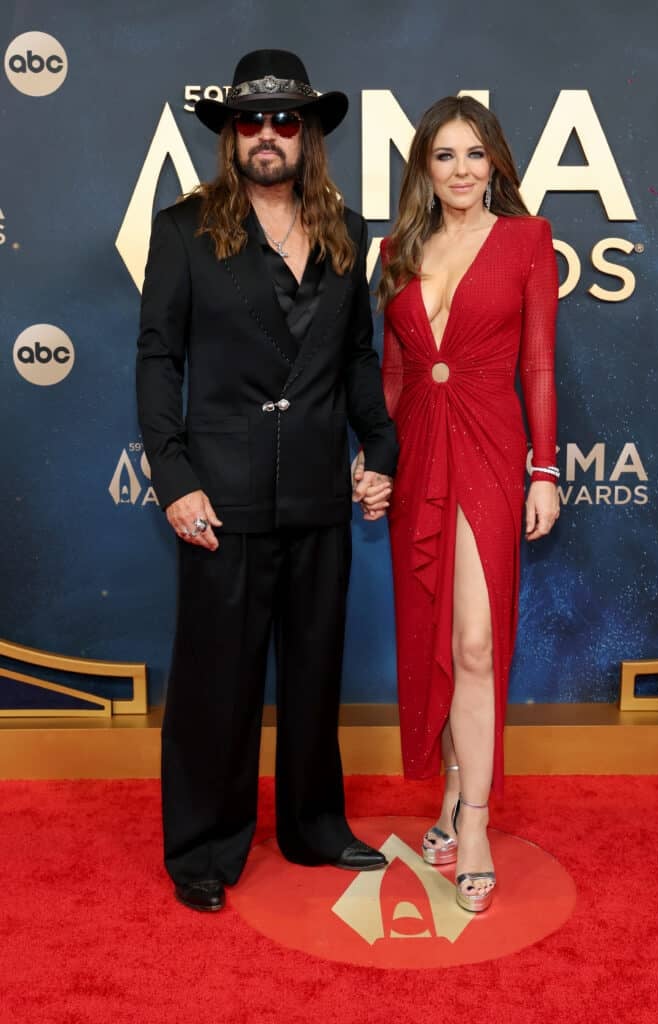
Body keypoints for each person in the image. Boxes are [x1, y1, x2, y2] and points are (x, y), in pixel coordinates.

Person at [136, 49, 397, 912]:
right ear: (230, 135)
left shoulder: (347, 231)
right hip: (222, 493)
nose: (269, 135)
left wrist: (380, 450)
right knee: (218, 683)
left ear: (309, 133)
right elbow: (157, 359)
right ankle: (204, 850)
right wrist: (173, 476)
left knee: (316, 672)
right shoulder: (183, 229)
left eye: (287, 120)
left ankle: (316, 825)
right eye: (253, 120)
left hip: (319, 489)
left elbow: (358, 357)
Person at [375, 95, 560, 913]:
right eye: (444, 155)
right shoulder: (396, 249)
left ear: (496, 164)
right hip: (417, 447)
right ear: (424, 166)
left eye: (474, 155)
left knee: (478, 641)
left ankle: (475, 822)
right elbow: (390, 375)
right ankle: (452, 793)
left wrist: (544, 470)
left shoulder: (526, 240)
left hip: (487, 439)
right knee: (438, 637)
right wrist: (375, 461)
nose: (459, 171)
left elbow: (540, 367)